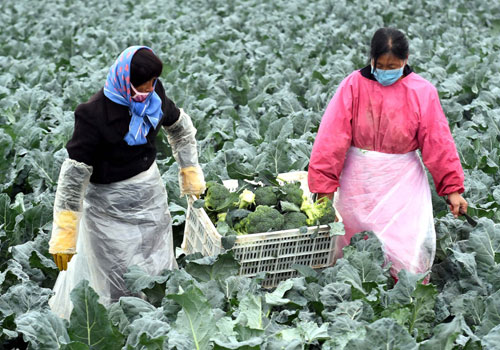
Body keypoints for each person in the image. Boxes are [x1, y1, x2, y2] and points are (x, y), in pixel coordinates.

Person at [47, 46, 205, 318]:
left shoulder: (154, 96)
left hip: (150, 197)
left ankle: (159, 320)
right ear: (124, 78)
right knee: (117, 275)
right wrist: (65, 232)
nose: (147, 88)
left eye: (152, 82)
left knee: (157, 262)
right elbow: (74, 175)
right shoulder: (93, 114)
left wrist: (189, 170)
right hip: (108, 208)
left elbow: (179, 127)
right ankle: (121, 327)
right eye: (141, 84)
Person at [308, 28, 467, 279]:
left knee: (403, 248)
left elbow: (438, 143)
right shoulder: (352, 86)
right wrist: (324, 187)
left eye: (392, 65)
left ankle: (403, 294)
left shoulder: (421, 91)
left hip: (402, 182)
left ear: (405, 60)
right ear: (371, 60)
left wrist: (452, 189)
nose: (385, 70)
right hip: (357, 180)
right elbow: (331, 139)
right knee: (353, 249)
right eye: (379, 65)